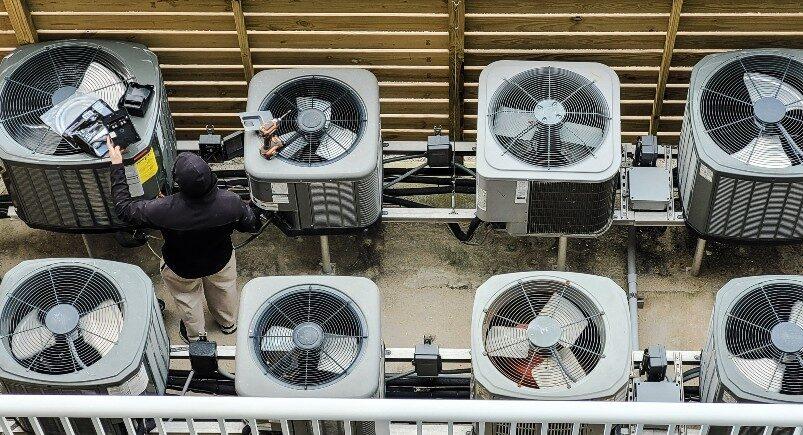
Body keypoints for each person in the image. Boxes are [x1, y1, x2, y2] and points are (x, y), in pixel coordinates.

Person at [108, 136, 262, 343]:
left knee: (187, 300)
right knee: (224, 290)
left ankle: (197, 336)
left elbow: (124, 210)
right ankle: (228, 323)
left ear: (178, 183)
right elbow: (251, 224)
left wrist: (117, 165)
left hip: (181, 266)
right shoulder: (231, 202)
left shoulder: (162, 209)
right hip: (220, 259)